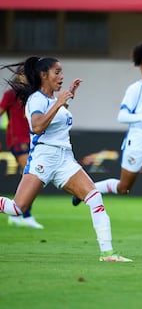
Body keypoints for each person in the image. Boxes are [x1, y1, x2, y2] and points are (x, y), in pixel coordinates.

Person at [0, 57, 131, 262]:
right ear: (44, 75)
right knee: (17, 209)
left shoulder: (53, 100)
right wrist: (60, 102)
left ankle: (108, 254)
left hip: (64, 158)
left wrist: (66, 98)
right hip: (43, 157)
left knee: (94, 197)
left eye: (61, 72)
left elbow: (58, 120)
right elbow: (37, 126)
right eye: (57, 72)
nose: (61, 76)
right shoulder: (36, 99)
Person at [72, 42, 142, 243]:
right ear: (141, 66)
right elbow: (122, 116)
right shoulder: (135, 89)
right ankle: (89, 190)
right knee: (124, 188)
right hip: (137, 144)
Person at [0, 68, 43, 229]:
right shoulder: (11, 94)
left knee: (30, 177)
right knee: (32, 175)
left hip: (33, 139)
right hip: (18, 139)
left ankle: (17, 214)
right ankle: (26, 215)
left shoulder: (33, 94)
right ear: (18, 75)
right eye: (24, 74)